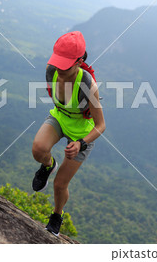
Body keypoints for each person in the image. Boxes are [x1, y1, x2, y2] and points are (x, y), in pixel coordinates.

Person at [31, 31, 106, 236]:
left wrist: (81, 143)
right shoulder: (51, 71)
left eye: (65, 65)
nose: (59, 69)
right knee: (38, 150)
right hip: (60, 118)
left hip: (82, 133)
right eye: (58, 62)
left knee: (60, 184)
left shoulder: (88, 85)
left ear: (79, 61)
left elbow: (101, 125)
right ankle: (48, 165)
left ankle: (57, 215)